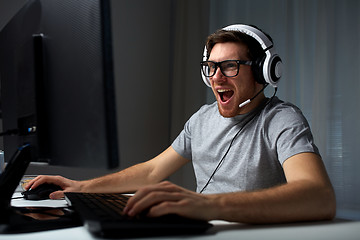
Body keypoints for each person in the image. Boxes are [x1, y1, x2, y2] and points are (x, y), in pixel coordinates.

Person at [26, 24, 336, 224]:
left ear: (262, 72)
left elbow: (317, 195)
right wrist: (82, 188)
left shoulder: (282, 119)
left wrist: (209, 206)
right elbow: (151, 171)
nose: (216, 77)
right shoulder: (202, 119)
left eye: (230, 66)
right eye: (211, 68)